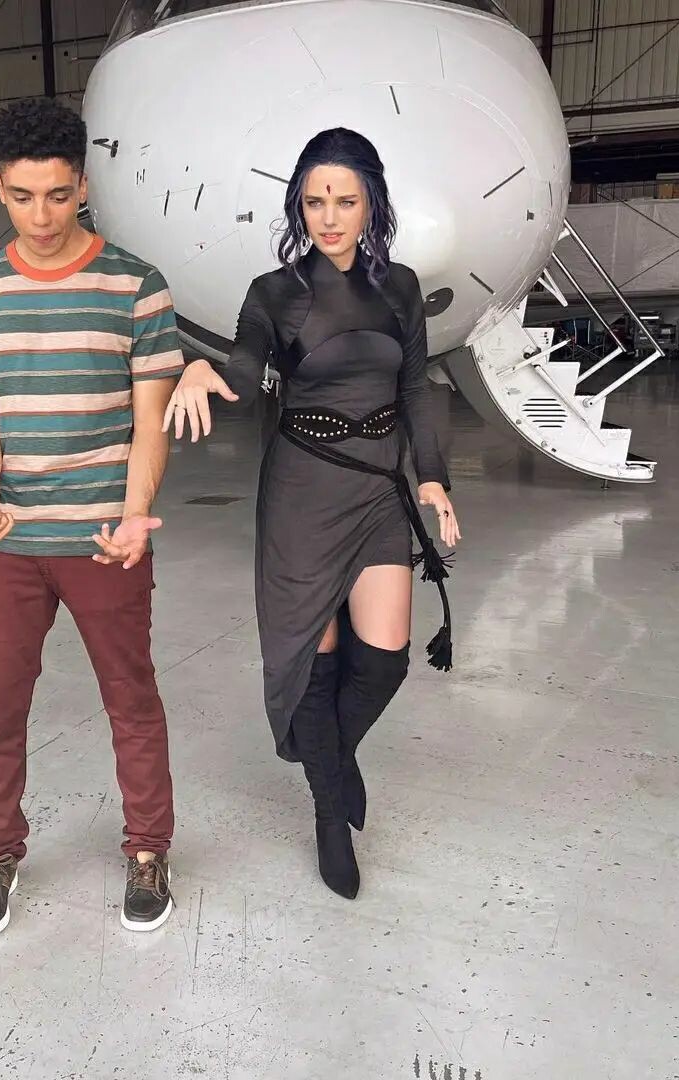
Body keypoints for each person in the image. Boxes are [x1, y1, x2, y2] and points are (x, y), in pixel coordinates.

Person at [163, 128, 460, 899]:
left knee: (385, 661)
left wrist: (432, 479)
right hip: (302, 492)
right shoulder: (274, 292)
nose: (329, 217)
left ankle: (330, 755)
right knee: (315, 665)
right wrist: (197, 370)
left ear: (371, 205)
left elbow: (416, 389)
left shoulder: (400, 288)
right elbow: (241, 373)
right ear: (299, 203)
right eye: (315, 201)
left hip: (378, 489)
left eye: (345, 201)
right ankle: (331, 813)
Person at [0, 97, 183, 937]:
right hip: (9, 543)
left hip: (104, 538)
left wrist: (135, 514)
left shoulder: (137, 286)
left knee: (130, 698)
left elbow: (149, 421)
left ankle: (148, 847)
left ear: (82, 185)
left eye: (56, 195)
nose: (40, 216)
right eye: (20, 197)